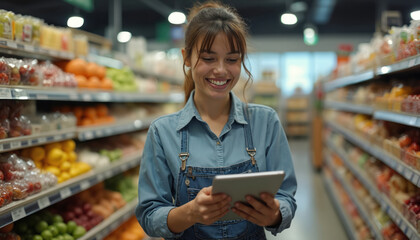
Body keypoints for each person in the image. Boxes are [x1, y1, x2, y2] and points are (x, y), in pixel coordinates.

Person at [135, 1, 297, 239]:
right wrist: (190, 213)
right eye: (209, 59)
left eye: (232, 60)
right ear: (187, 58)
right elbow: (150, 215)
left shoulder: (266, 122)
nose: (221, 70)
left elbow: (286, 199)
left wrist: (274, 215)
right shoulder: (163, 132)